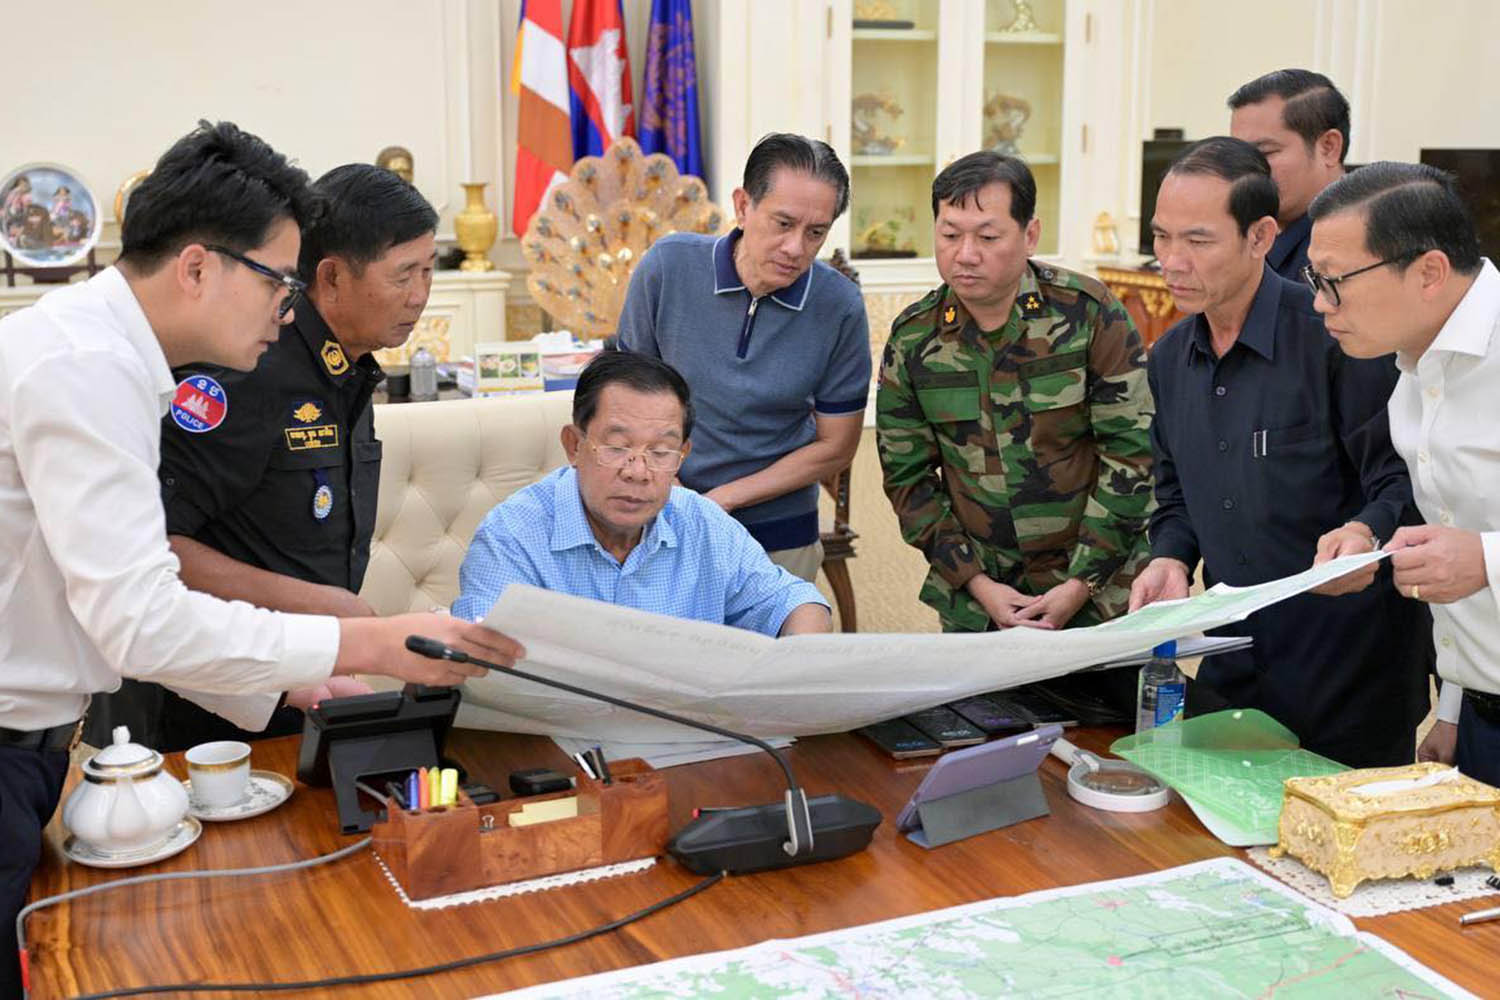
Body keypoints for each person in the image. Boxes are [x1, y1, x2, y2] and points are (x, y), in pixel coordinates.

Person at [0, 121, 519, 996]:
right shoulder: (88, 368)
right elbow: (141, 619)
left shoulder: (102, 352)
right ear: (198, 266)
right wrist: (368, 641)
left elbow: (114, 600)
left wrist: (299, 682)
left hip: (42, 742)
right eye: (277, 279)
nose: (288, 306)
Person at [86, 163, 439, 751]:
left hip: (297, 687)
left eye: (430, 272)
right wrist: (333, 611)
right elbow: (155, 544)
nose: (421, 296)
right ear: (330, 276)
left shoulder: (348, 371)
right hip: (193, 714)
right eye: (404, 275)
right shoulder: (247, 367)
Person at [1129, 137, 1429, 768]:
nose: (1171, 261)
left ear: (1261, 236)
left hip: (1348, 675)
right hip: (1234, 664)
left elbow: (1407, 483)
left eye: (1198, 240)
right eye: (1161, 237)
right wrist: (1172, 558)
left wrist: (1365, 529)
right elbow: (1177, 493)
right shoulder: (1169, 359)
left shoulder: (1336, 338)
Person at [877, 151, 1154, 714]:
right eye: (949, 234)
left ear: (1030, 234)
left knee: (1120, 753)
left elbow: (1134, 459)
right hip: (980, 606)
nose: (965, 254)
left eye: (987, 235)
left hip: (1100, 598)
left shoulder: (1089, 313)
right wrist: (976, 584)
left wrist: (1080, 584)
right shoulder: (913, 340)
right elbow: (909, 482)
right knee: (987, 759)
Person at [1306, 161, 1500, 784]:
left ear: (1429, 272)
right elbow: (1463, 528)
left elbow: (1476, 553)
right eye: (1315, 278)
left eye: (1335, 281)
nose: (1318, 302)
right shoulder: (1414, 370)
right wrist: (1454, 706)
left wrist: (1485, 561)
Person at [616, 133, 870, 583]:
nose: (796, 248)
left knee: (774, 651)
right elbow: (625, 400)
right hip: (660, 514)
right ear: (742, 206)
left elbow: (836, 446)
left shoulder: (839, 305)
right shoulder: (667, 267)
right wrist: (672, 494)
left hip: (779, 532)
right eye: (783, 223)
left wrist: (723, 500)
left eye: (816, 233)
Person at [454, 351, 832, 636]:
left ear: (682, 455)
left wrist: (801, 663)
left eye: (660, 452)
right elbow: (480, 655)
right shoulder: (512, 535)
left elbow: (796, 603)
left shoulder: (703, 525)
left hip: (690, 734)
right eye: (617, 448)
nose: (638, 472)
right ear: (574, 445)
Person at [1228, 68, 1349, 282]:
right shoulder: (1249, 235)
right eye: (1240, 153)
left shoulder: (1360, 248)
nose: (1246, 168)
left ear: (1329, 147)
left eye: (1265, 152)